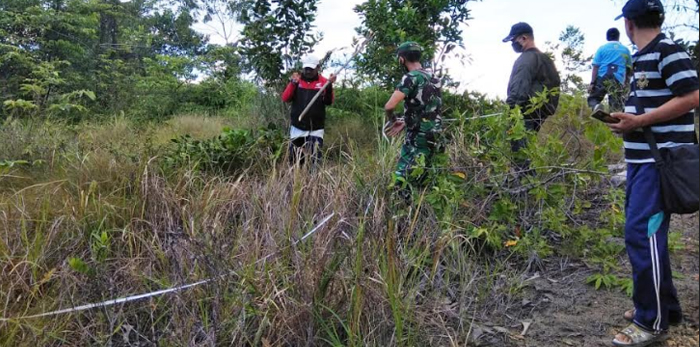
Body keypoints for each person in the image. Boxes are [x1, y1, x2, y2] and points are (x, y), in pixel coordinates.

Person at [607, 0, 699, 346]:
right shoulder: (643, 57)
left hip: (659, 164)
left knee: (642, 236)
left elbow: (692, 97)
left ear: (629, 23)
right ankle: (665, 308)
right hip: (641, 161)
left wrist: (641, 121)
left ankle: (651, 322)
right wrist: (628, 120)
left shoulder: (667, 51)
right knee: (647, 236)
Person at [383, 41, 443, 188]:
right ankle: (420, 208)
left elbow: (389, 106)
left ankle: (401, 207)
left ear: (402, 59)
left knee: (403, 178)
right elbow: (429, 108)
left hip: (418, 136)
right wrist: (407, 120)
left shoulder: (410, 78)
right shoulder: (435, 78)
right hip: (436, 134)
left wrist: (393, 120)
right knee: (426, 176)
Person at [502, 22, 561, 166]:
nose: (512, 44)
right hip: (541, 113)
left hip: (525, 113)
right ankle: (527, 181)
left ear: (523, 38)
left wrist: (510, 111)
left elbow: (519, 88)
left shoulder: (526, 59)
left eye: (513, 40)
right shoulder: (546, 59)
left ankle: (525, 183)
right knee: (528, 150)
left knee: (520, 153)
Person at [281, 55, 336, 165]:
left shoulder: (324, 82)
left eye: (311, 69)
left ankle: (314, 181)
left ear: (318, 68)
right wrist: (293, 84)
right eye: (306, 69)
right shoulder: (297, 81)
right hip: (297, 127)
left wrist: (329, 87)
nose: (308, 71)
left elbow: (328, 102)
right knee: (295, 160)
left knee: (315, 160)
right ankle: (295, 181)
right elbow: (285, 98)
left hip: (316, 128)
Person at [588, 28, 633, 112]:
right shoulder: (625, 50)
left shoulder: (602, 49)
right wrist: (626, 83)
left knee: (593, 98)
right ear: (618, 37)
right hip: (618, 79)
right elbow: (629, 69)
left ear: (607, 37)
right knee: (616, 106)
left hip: (603, 76)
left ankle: (596, 106)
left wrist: (592, 83)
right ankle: (614, 120)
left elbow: (595, 67)